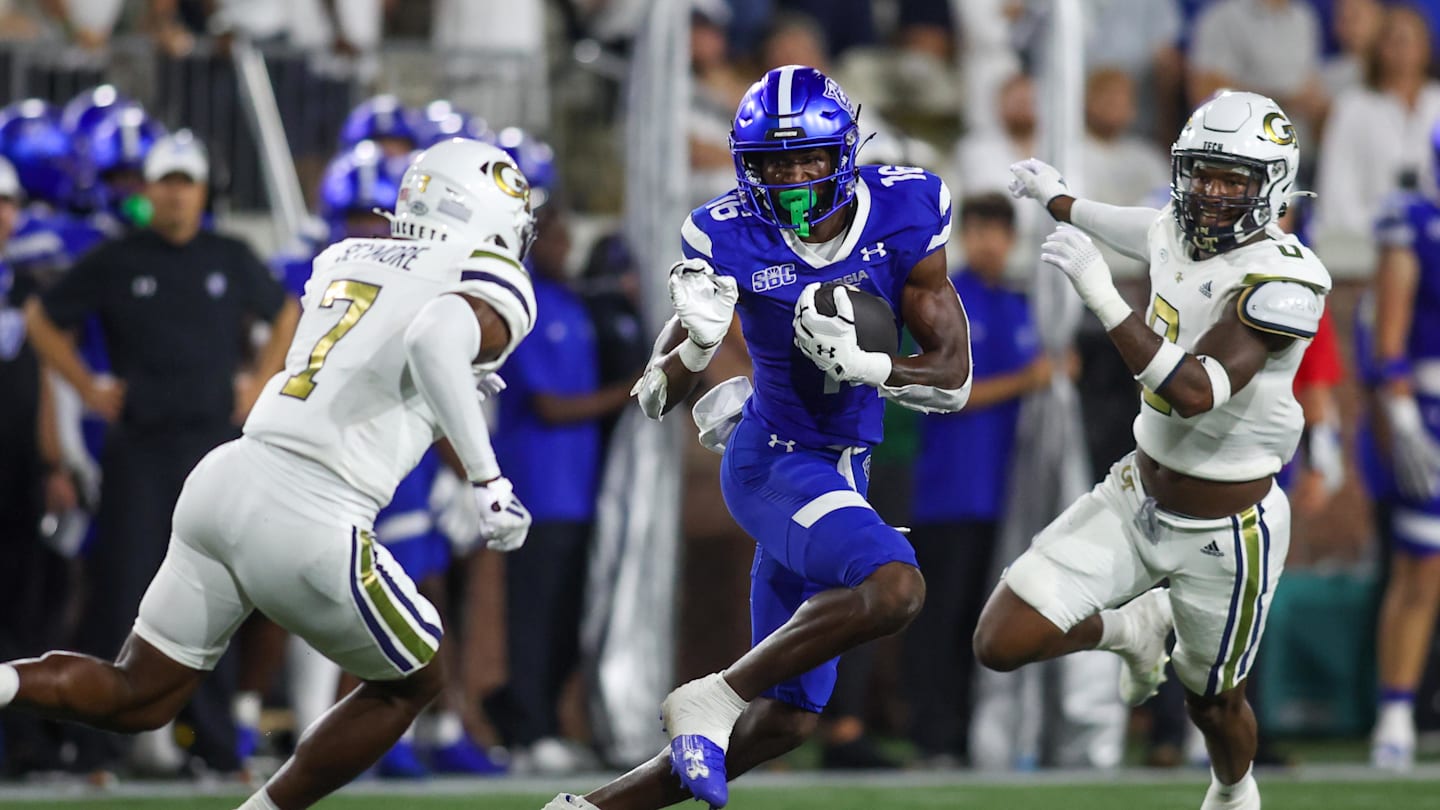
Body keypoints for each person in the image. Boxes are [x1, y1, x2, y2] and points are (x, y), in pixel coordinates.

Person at [0, 137, 541, 810]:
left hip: (229, 475)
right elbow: (432, 336)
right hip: (314, 506)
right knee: (416, 682)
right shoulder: (490, 276)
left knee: (136, 694)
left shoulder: (348, 254)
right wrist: (487, 481)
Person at [546, 64, 973, 810]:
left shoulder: (907, 207)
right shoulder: (724, 233)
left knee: (786, 721)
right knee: (895, 588)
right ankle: (711, 696)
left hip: (847, 469)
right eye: (776, 164)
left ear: (845, 153)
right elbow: (656, 398)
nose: (796, 178)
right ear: (749, 168)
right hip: (773, 461)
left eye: (810, 158)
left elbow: (954, 379)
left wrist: (875, 368)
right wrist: (696, 348)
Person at [975, 89, 1330, 810]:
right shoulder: (1180, 225)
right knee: (1001, 640)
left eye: (1233, 179)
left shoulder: (1286, 281)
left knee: (1213, 703)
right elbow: (1145, 227)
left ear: (1274, 187)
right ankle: (1133, 628)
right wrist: (1062, 201)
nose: (1210, 193)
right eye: (1202, 172)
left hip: (1227, 530)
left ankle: (1234, 793)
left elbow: (1194, 392)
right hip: (1137, 491)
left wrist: (1105, 299)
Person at [903, 192, 1050, 768]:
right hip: (948, 492)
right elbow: (948, 393)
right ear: (964, 236)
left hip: (1005, 495)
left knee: (983, 621)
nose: (991, 243)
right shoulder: (944, 302)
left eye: (1000, 232)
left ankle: (971, 736)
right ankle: (930, 737)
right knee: (940, 618)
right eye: (980, 231)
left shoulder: (1021, 307)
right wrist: (1029, 380)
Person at [1366, 123, 1440, 770]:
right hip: (1430, 406)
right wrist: (1402, 414)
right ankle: (1395, 712)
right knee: (1422, 568)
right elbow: (1389, 335)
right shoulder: (1412, 222)